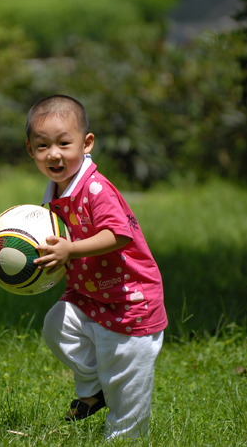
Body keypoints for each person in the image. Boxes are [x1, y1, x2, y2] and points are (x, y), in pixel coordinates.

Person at [25, 94, 168, 439]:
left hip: (130, 301)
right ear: (30, 149)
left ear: (86, 143)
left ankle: (125, 438)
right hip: (88, 295)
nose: (54, 154)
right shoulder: (55, 192)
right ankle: (93, 389)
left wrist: (71, 250)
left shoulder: (94, 188)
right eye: (43, 146)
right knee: (56, 324)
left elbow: (117, 235)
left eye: (64, 143)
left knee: (126, 393)